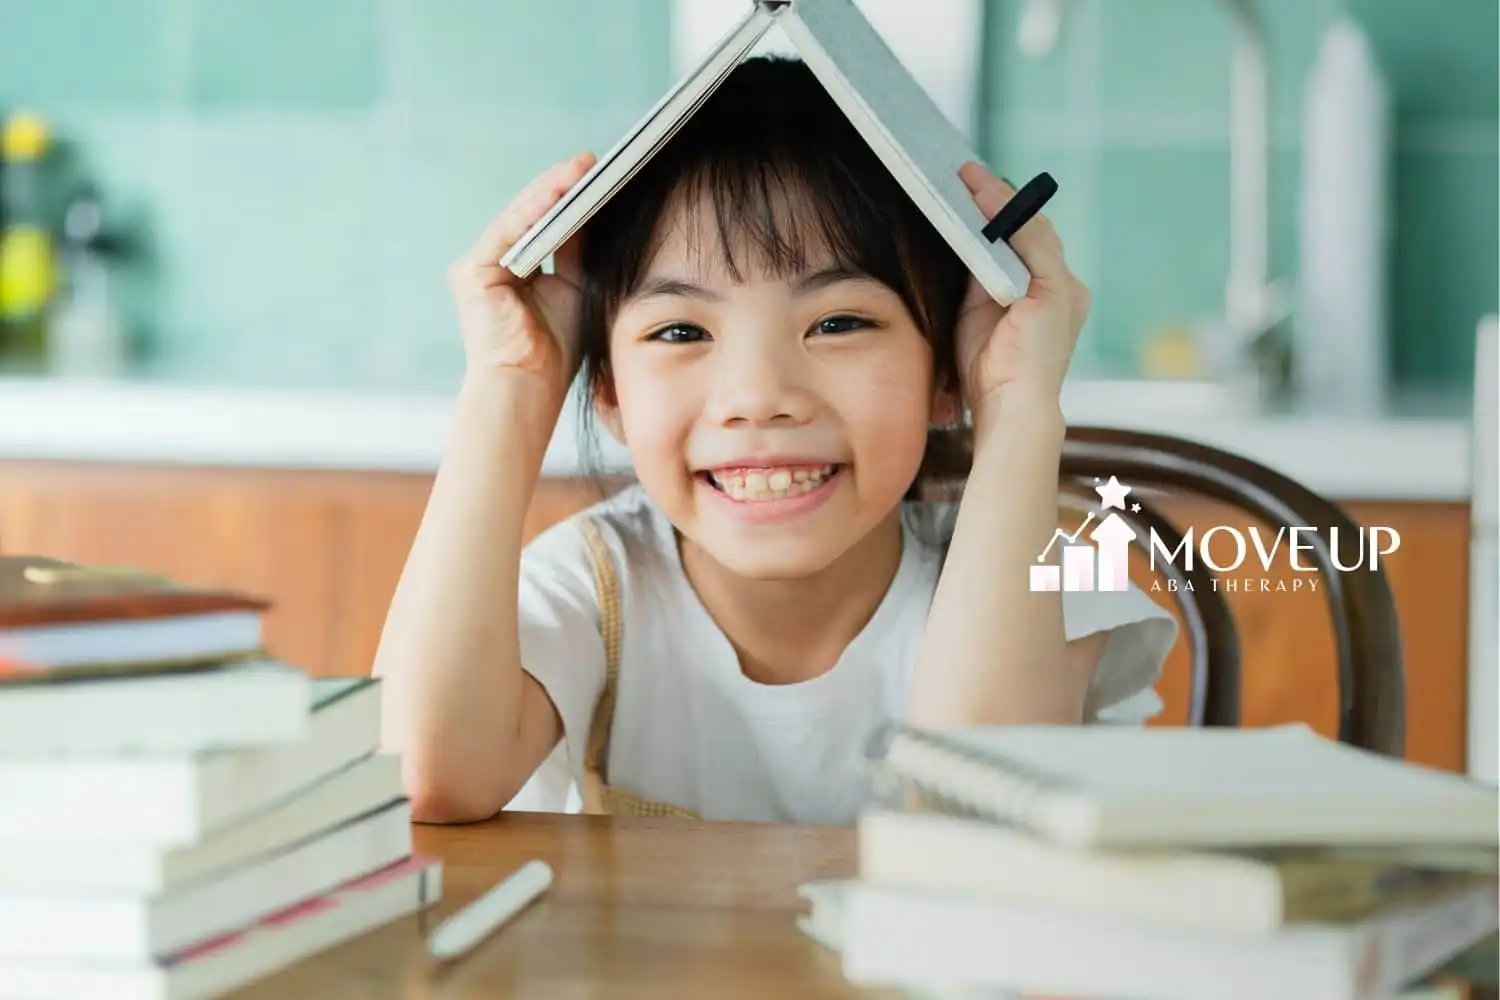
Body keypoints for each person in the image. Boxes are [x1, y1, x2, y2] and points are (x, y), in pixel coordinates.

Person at [373, 56, 1178, 826]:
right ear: (610, 388)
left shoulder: (1045, 584)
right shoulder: (593, 586)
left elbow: (977, 810)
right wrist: (509, 383)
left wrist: (1016, 405)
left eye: (837, 323)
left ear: (944, 375)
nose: (758, 398)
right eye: (682, 329)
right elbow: (422, 774)